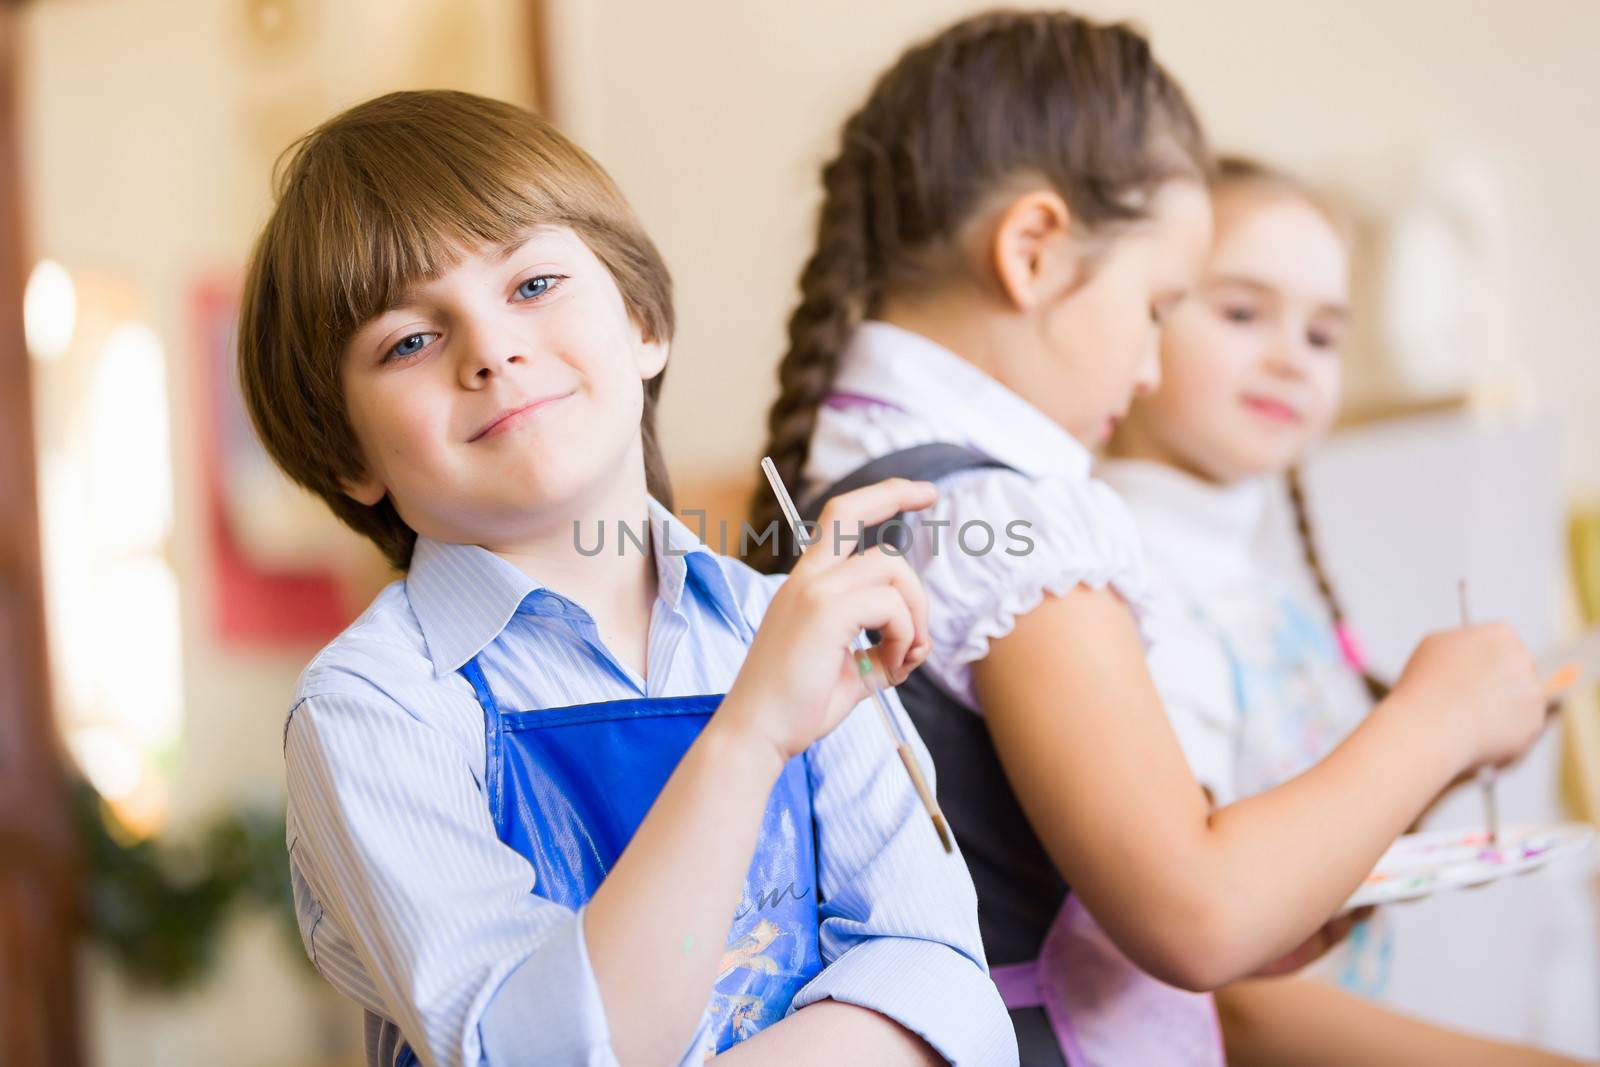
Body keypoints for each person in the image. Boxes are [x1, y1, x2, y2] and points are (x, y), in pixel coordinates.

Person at [751, 11, 1547, 1064]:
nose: (1150, 359)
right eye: (1159, 302)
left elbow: (1122, 871)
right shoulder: (1007, 526)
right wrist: (1439, 719)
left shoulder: (846, 485)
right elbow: (1195, 911)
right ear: (1033, 251)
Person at [238, 89, 1014, 1067]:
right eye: (409, 340)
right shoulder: (373, 707)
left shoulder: (787, 626)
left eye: (531, 285)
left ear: (642, 322)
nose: (491, 350)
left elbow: (945, 986)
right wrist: (749, 733)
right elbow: (533, 1050)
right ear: (346, 452)